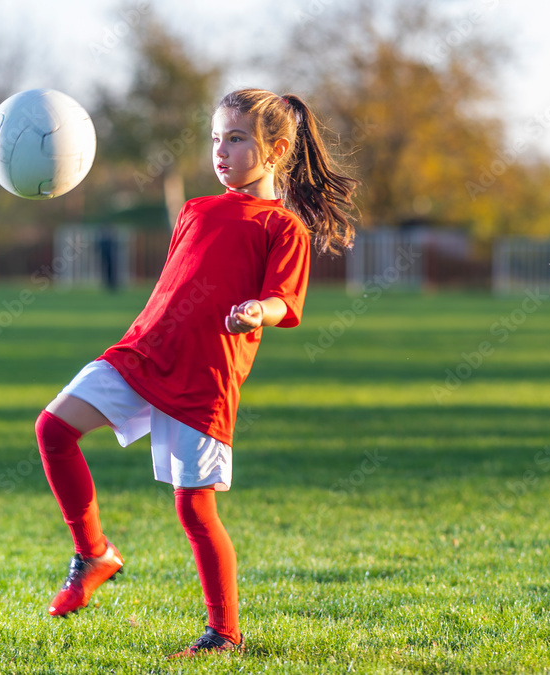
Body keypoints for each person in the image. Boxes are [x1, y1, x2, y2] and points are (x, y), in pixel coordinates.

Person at [34, 88, 358, 658]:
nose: (221, 151)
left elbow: (285, 301)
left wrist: (259, 310)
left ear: (277, 150)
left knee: (194, 507)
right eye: (216, 139)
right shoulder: (195, 209)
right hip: (141, 352)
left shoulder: (282, 227)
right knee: (53, 429)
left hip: (205, 375)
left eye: (236, 139)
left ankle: (223, 634)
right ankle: (94, 554)